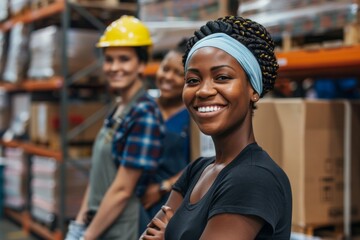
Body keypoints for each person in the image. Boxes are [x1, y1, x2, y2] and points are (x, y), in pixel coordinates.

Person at [141, 15, 292, 240]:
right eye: (193, 80)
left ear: (253, 89)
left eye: (222, 77)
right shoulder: (197, 171)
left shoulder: (253, 178)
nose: (203, 91)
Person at [65, 15, 164, 240]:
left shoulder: (144, 113)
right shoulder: (120, 108)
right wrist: (79, 224)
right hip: (99, 222)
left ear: (141, 64)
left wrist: (87, 236)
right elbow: (97, 177)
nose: (114, 67)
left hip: (122, 228)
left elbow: (122, 190)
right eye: (109, 60)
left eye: (123, 59)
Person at [140, 39, 191, 227]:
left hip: (171, 205)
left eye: (178, 73)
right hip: (137, 202)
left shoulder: (193, 116)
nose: (168, 77)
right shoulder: (145, 107)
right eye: (165, 69)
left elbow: (203, 163)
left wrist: (162, 187)